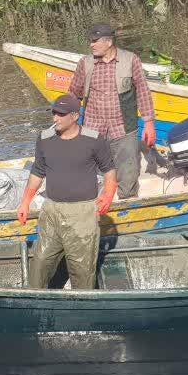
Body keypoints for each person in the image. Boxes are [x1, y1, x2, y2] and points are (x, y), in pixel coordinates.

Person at [16, 93, 117, 290]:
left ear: (74, 116)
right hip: (51, 211)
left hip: (82, 214)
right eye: (54, 113)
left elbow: (109, 170)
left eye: (60, 114)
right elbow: (37, 171)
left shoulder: (94, 140)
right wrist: (25, 202)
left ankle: (83, 308)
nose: (55, 118)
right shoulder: (44, 139)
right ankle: (36, 304)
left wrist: (108, 194)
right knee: (40, 263)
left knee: (81, 269)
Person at [67, 23, 155, 200]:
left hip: (122, 126)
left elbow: (143, 91)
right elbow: (74, 93)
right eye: (91, 41)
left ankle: (126, 201)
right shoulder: (85, 63)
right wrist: (69, 122)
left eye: (94, 41)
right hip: (92, 127)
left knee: (128, 170)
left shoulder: (131, 60)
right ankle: (89, 202)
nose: (91, 45)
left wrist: (149, 123)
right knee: (85, 169)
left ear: (108, 42)